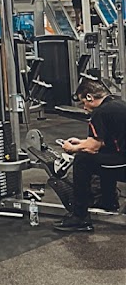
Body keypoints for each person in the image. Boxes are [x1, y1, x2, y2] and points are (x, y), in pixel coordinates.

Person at [53, 78, 126, 233]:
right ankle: (108, 202)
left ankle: (80, 217)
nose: (84, 107)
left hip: (123, 165)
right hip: (122, 158)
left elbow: (93, 147)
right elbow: (109, 142)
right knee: (104, 156)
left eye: (83, 103)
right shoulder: (117, 104)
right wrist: (81, 142)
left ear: (90, 97)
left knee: (83, 160)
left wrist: (72, 148)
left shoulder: (100, 112)